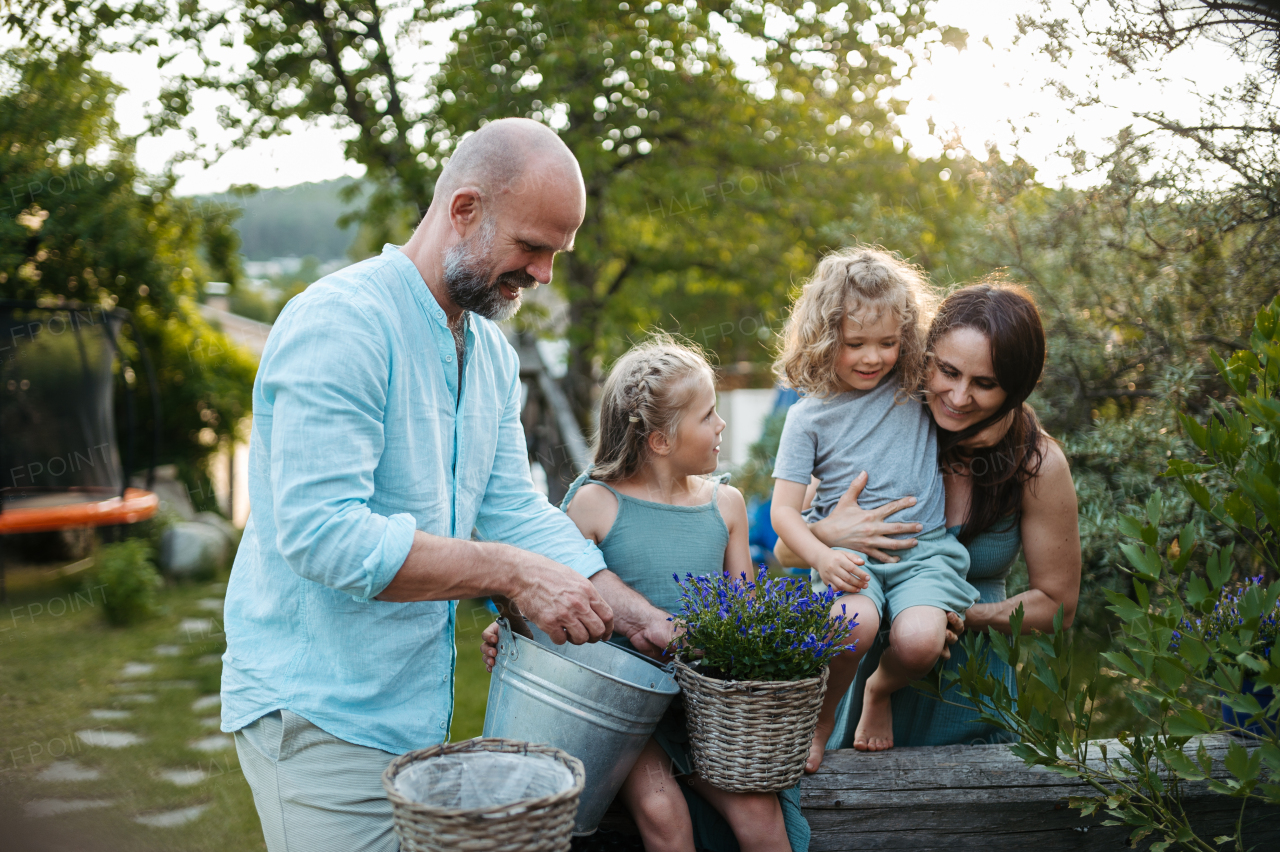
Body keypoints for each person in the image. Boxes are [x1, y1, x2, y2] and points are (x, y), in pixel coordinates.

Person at [220, 119, 673, 852]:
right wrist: (513, 575)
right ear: (464, 210)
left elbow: (510, 509)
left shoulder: (488, 351)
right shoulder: (343, 323)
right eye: (532, 247)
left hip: (410, 713)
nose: (544, 275)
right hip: (317, 715)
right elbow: (324, 535)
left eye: (556, 254)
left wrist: (630, 612)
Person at [484, 338, 808, 852]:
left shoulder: (726, 505)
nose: (721, 426)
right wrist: (514, 626)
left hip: (707, 709)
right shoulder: (595, 504)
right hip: (620, 708)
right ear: (660, 440)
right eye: (708, 416)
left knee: (759, 818)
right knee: (664, 813)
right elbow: (554, 589)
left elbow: (745, 615)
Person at [776, 280, 1082, 750]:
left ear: (1014, 389)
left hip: (966, 693)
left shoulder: (1035, 464)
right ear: (923, 354)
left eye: (986, 384)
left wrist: (961, 614)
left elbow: (1058, 607)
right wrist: (833, 530)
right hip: (857, 683)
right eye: (948, 372)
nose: (959, 398)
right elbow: (786, 550)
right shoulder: (882, 419)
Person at [770, 247, 979, 768]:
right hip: (848, 558)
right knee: (849, 626)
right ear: (823, 338)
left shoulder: (914, 388)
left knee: (920, 644)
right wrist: (820, 557)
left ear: (906, 338)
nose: (872, 358)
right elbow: (782, 514)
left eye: (887, 342)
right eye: (854, 343)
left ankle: (879, 691)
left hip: (924, 552)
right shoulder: (808, 418)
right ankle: (821, 722)